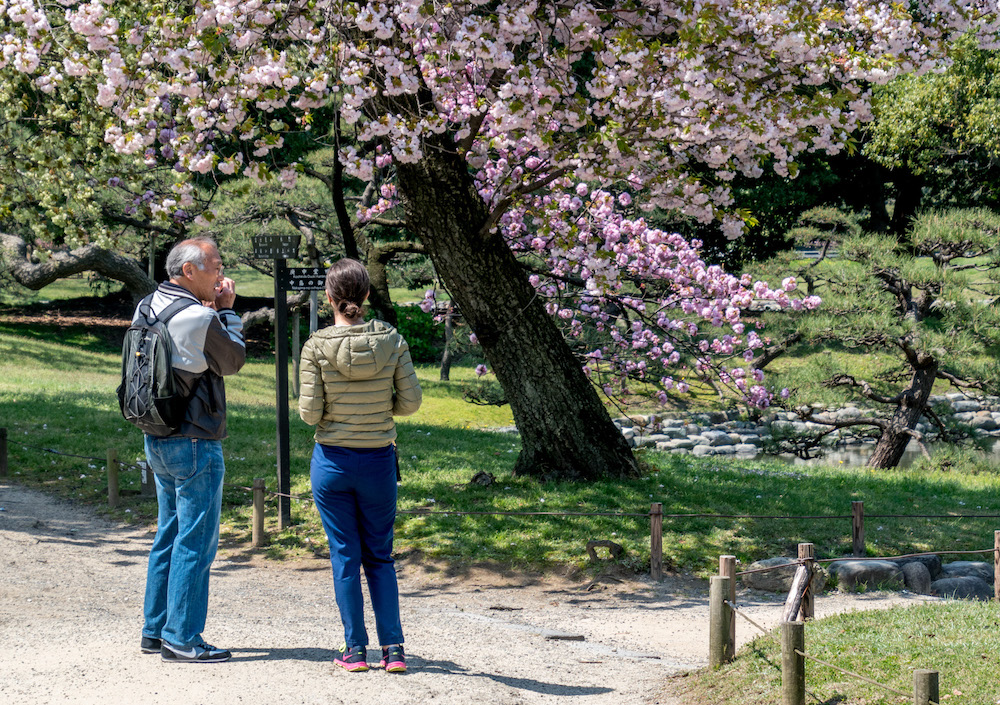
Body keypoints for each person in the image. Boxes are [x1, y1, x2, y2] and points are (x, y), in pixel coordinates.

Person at [298, 258, 422, 673]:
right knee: (380, 557)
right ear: (367, 295)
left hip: (332, 462)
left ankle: (354, 651)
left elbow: (309, 415)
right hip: (378, 461)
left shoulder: (316, 346)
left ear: (329, 299)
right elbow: (410, 403)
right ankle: (394, 650)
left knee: (345, 556)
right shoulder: (393, 340)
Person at [138, 237, 246, 663]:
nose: (220, 274)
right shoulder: (199, 315)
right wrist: (229, 311)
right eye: (214, 267)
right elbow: (233, 360)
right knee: (195, 541)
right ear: (189, 271)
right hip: (195, 439)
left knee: (168, 533)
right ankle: (182, 637)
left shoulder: (147, 305)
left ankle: (154, 629)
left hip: (156, 434)